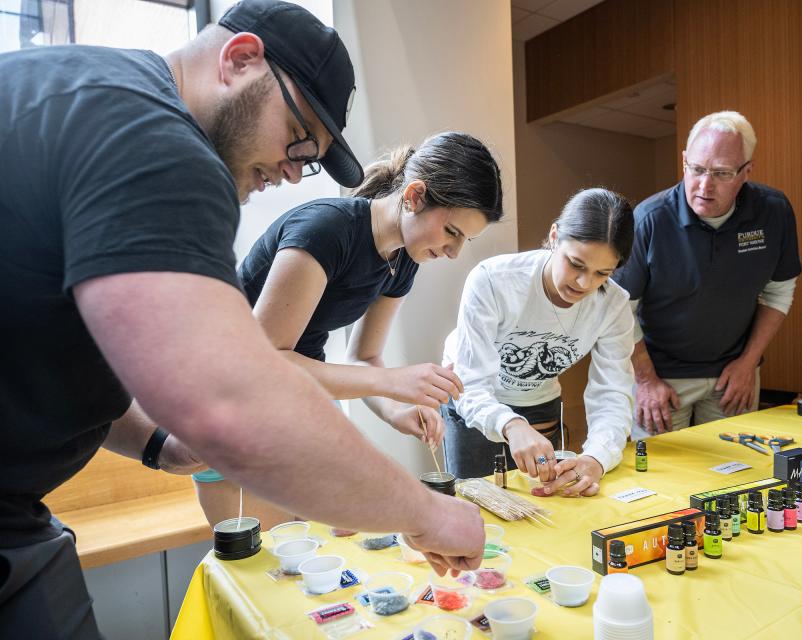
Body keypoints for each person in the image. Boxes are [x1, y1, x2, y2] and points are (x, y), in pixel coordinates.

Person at [0, 1, 483, 636]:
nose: (292, 169)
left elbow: (55, 346)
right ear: (240, 59)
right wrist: (427, 512)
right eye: (297, 136)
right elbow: (234, 399)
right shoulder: (159, 143)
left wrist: (156, 441)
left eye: (308, 157)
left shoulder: (87, 94)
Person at [196, 132, 504, 526]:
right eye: (452, 232)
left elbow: (363, 357)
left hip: (300, 402)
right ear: (414, 196)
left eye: (467, 240)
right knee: (268, 567)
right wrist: (392, 381)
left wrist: (397, 410)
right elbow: (265, 365)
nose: (454, 252)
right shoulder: (326, 229)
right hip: (230, 407)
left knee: (326, 556)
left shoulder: (402, 260)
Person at [613, 111, 802, 434]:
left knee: (733, 472)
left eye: (722, 173)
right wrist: (645, 380)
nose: (704, 185)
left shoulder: (773, 211)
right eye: (697, 169)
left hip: (733, 374)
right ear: (685, 160)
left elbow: (778, 292)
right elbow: (619, 310)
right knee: (663, 476)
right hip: (661, 377)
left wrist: (748, 362)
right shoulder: (649, 220)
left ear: (746, 172)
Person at [442, 188, 635, 497]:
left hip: (540, 405)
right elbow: (472, 382)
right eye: (576, 264)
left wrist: (597, 458)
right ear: (555, 236)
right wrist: (512, 425)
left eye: (603, 273)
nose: (584, 283)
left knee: (547, 506)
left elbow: (613, 393)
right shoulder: (493, 280)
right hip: (474, 404)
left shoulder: (613, 305)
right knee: (476, 508)